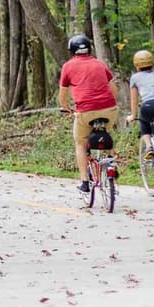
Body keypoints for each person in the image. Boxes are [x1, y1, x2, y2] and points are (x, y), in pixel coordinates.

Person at [58, 34, 119, 194]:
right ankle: (111, 167)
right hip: (109, 108)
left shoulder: (68, 67)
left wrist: (66, 108)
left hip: (85, 111)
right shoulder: (99, 63)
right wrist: (111, 105)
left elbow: (63, 96)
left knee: (80, 143)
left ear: (72, 51)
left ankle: (85, 182)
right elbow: (114, 89)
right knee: (107, 134)